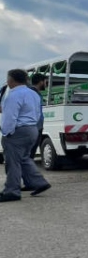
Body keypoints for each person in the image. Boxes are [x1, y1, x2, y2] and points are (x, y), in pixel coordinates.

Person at [0, 69, 50, 201]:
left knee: (13, 162)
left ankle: (12, 191)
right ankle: (39, 182)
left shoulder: (14, 95)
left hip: (18, 130)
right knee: (24, 158)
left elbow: (9, 117)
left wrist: (6, 133)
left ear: (11, 80)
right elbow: (38, 113)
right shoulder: (33, 93)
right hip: (32, 129)